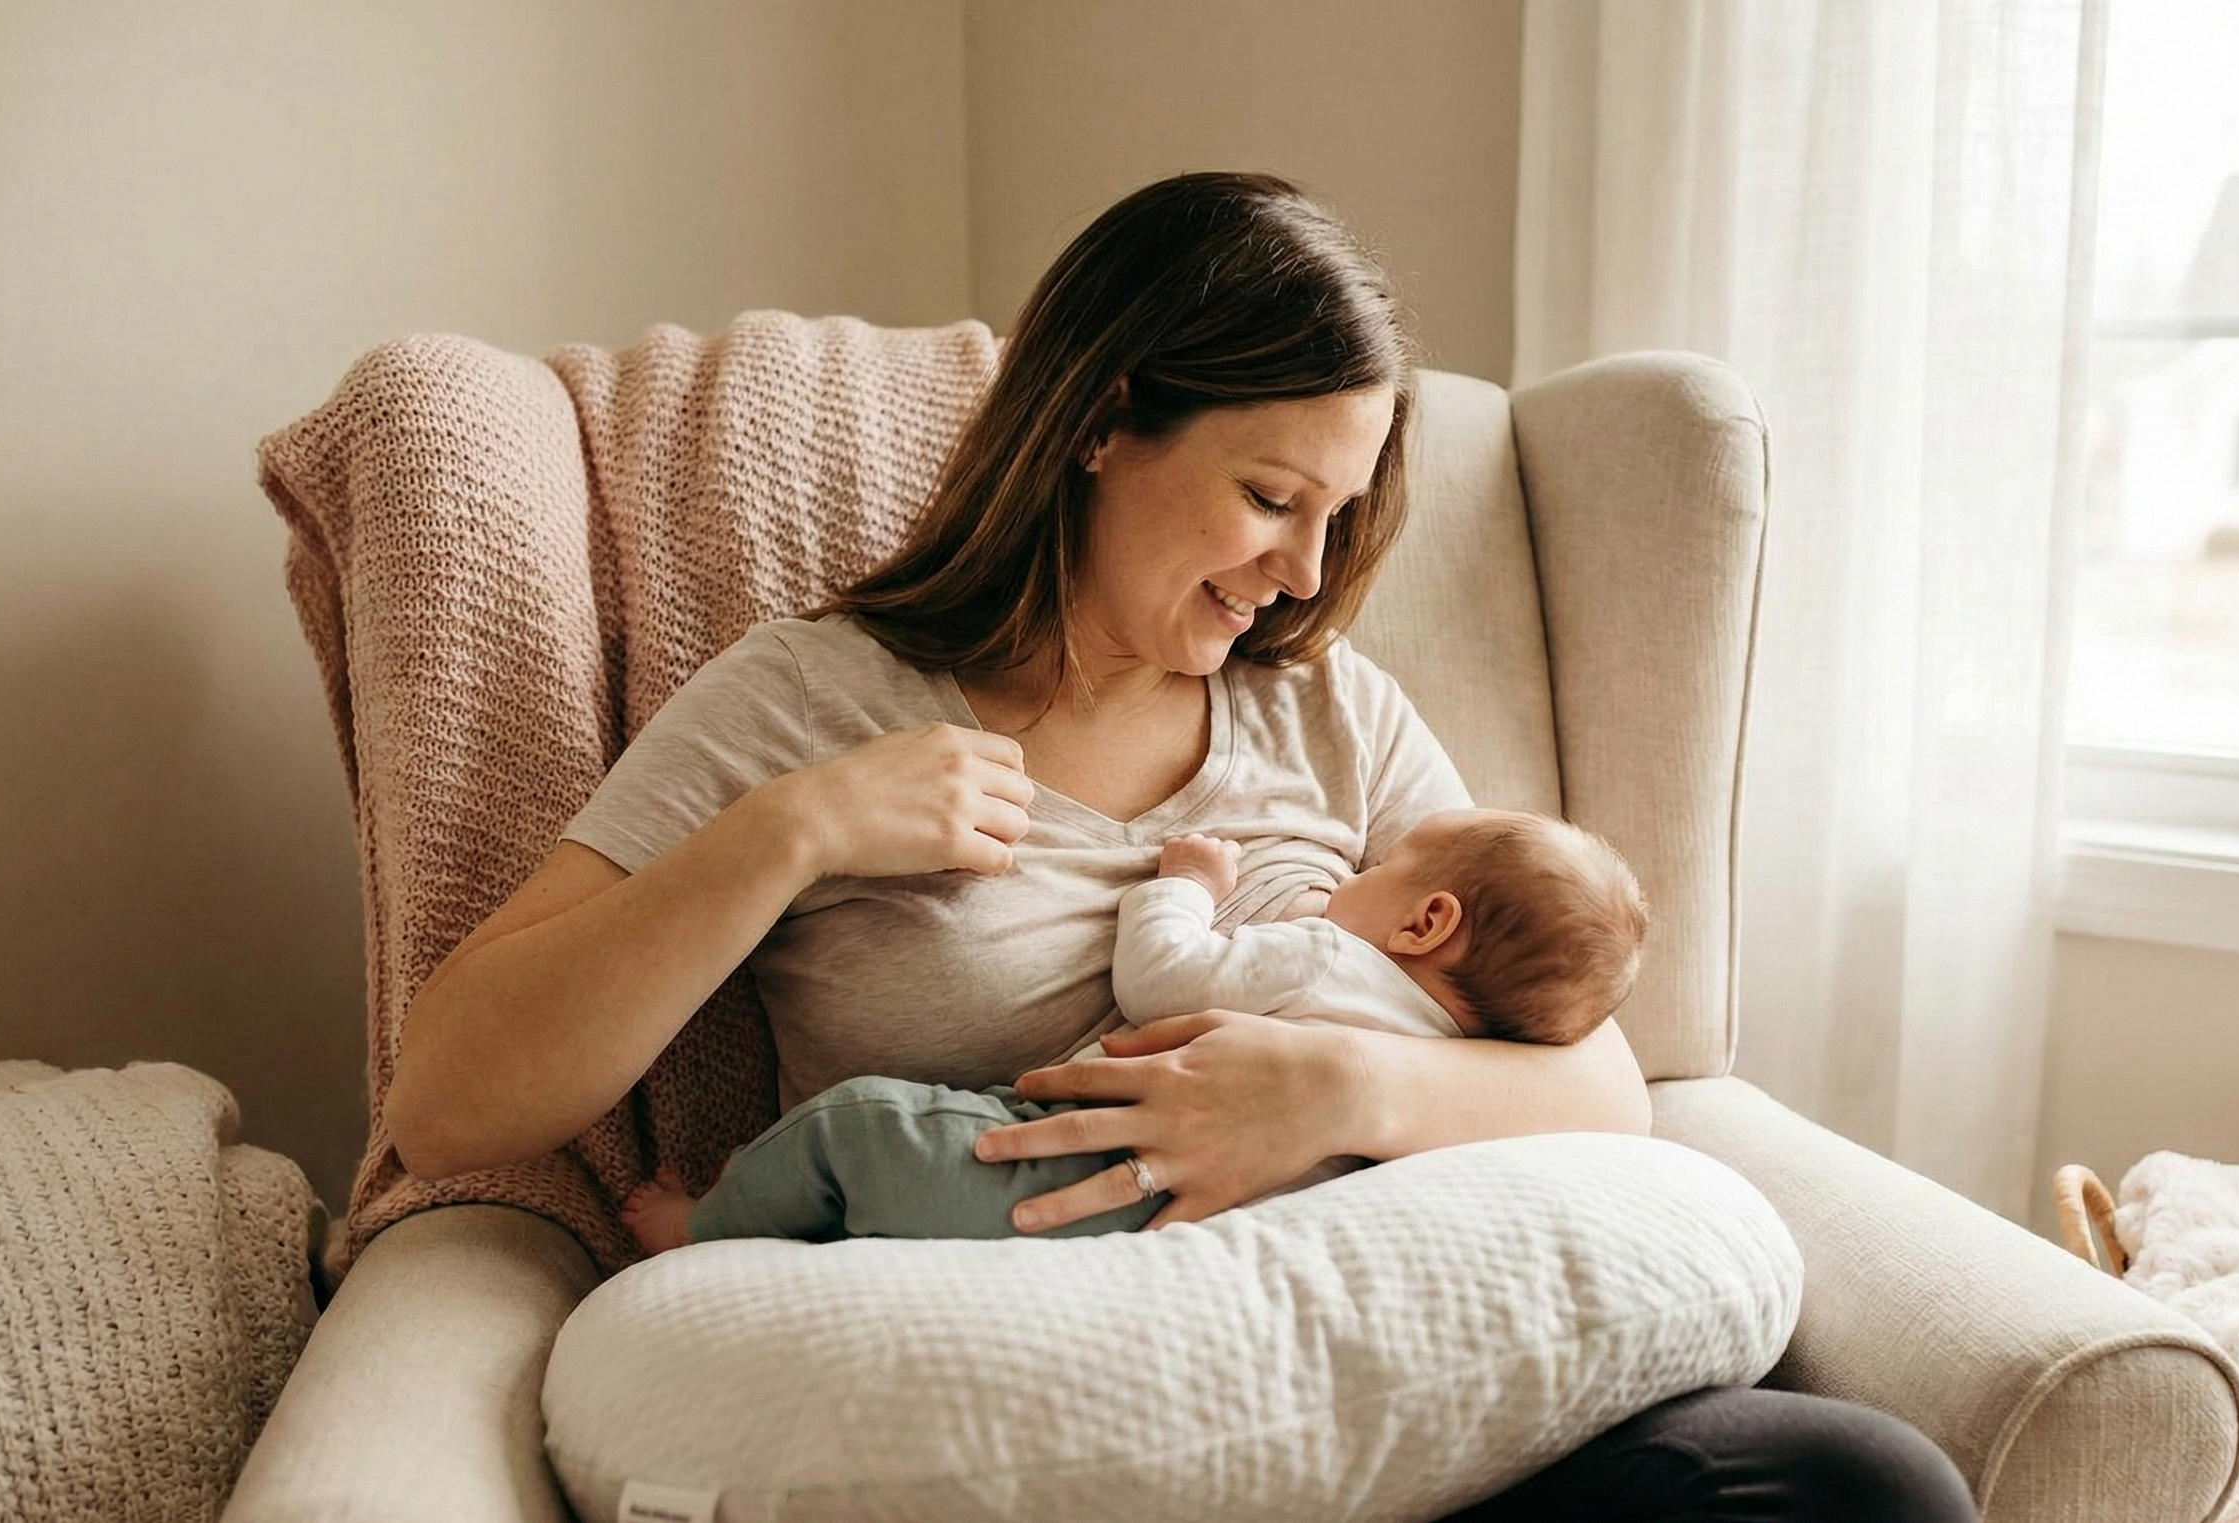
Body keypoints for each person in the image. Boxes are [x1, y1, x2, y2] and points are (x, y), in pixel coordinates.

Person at [385, 171, 1975, 1522]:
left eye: (1338, 519)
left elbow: (1603, 1085)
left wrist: (1333, 1088)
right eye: (1272, 496)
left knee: (1854, 1479)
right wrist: (788, 832)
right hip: (1021, 1383)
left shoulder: (1333, 711)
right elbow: (453, 1092)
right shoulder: (814, 702)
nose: (1302, 571)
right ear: (1102, 423)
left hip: (1337, 1356)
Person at [618, 808, 1649, 1251]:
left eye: (1377, 867)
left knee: (854, 1129)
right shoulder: (1447, 1048)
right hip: (1221, 1216)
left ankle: (699, 1227)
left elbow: (1163, 980)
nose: (1348, 869)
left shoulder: (1327, 954)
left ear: (1426, 922)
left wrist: (1185, 886)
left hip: (1085, 1166)